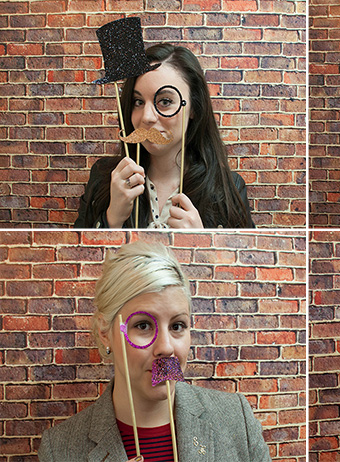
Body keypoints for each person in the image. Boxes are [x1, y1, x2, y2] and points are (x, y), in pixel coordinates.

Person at [38, 241, 270, 461]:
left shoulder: (236, 419)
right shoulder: (59, 449)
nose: (166, 348)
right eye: (143, 326)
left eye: (177, 326)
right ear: (105, 332)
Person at [75, 44, 254, 228]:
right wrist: (111, 219)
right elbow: (75, 254)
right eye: (138, 101)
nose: (146, 117)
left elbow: (248, 256)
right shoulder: (105, 179)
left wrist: (202, 244)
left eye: (165, 101)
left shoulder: (227, 189)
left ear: (193, 107)